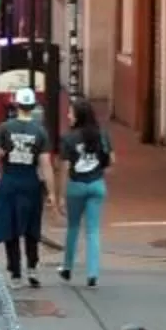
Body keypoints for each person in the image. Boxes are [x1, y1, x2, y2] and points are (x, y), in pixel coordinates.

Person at [0, 88, 52, 281]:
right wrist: (52, 192)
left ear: (16, 105)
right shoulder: (40, 131)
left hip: (10, 181)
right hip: (30, 181)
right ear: (32, 107)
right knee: (32, 226)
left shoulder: (4, 128)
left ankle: (15, 272)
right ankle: (32, 267)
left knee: (10, 226)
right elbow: (45, 164)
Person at [56, 96, 111, 285]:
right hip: (97, 184)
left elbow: (64, 168)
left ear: (78, 116)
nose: (68, 115)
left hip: (76, 186)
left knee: (73, 227)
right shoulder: (101, 135)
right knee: (93, 230)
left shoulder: (68, 138)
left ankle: (68, 267)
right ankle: (92, 272)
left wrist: (60, 196)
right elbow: (111, 159)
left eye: (70, 112)